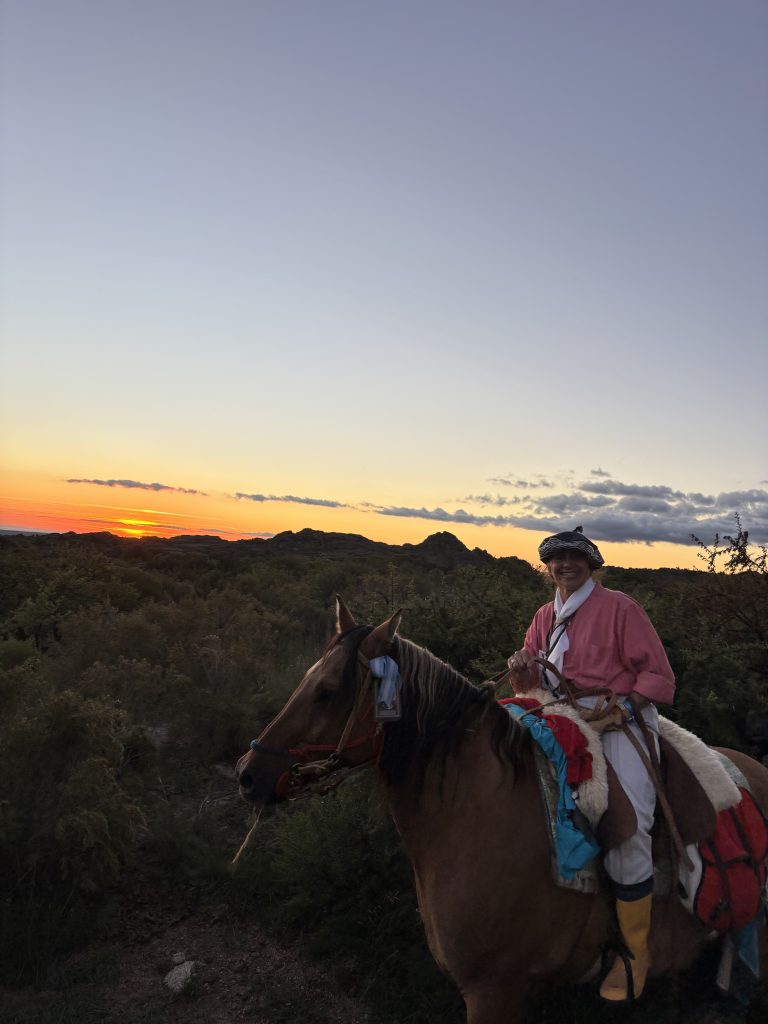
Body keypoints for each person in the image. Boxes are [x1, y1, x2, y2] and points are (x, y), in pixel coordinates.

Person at [507, 527, 674, 1005]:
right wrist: (522, 669)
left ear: (591, 566)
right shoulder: (544, 616)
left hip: (619, 720)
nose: (564, 566)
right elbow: (533, 680)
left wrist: (625, 706)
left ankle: (635, 952)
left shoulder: (621, 607)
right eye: (556, 559)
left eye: (574, 559)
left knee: (630, 823)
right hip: (563, 720)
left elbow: (658, 674)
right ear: (547, 568)